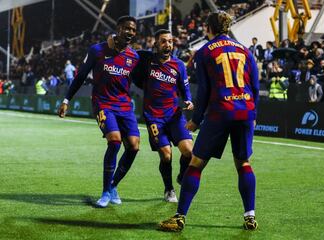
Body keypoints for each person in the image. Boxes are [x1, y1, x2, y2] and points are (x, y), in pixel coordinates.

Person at [159, 11, 259, 232]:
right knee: (243, 163)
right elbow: (255, 87)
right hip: (245, 110)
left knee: (196, 164)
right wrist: (254, 116)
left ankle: (179, 217)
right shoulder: (245, 50)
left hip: (220, 111)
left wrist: (195, 121)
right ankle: (250, 216)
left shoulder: (204, 52)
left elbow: (204, 90)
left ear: (208, 28)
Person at [58, 16, 140, 208]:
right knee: (114, 141)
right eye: (127, 28)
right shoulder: (97, 50)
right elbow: (80, 76)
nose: (130, 32)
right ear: (118, 29)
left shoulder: (134, 56)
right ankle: (105, 192)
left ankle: (113, 185)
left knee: (134, 146)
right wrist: (66, 100)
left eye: (133, 30)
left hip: (125, 105)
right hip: (103, 103)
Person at [133, 29, 194, 202]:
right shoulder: (146, 61)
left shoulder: (179, 65)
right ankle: (169, 189)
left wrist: (188, 100)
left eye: (170, 41)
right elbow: (129, 56)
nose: (167, 44)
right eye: (163, 41)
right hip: (154, 117)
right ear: (156, 44)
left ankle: (182, 175)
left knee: (189, 151)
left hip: (174, 116)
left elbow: (185, 89)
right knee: (166, 155)